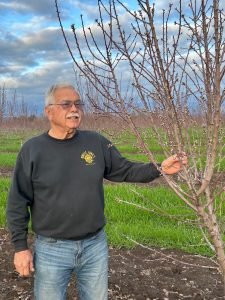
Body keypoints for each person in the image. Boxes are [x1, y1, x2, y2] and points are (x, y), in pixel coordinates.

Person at [7, 83, 188, 300]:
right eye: (66, 104)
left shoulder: (95, 142)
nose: (74, 109)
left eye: (78, 104)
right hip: (51, 249)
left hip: (94, 246)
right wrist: (20, 247)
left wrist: (159, 168)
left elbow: (125, 170)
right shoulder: (33, 149)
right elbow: (18, 200)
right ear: (49, 111)